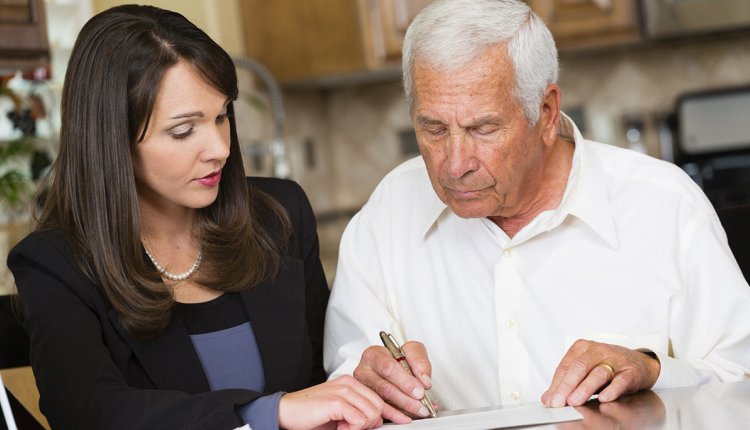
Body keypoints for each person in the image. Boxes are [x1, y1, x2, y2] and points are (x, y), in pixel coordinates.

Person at [324, 0, 750, 419]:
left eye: (483, 128)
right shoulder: (389, 213)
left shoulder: (663, 205)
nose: (455, 164)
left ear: (546, 113)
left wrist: (653, 371)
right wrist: (366, 385)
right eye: (433, 128)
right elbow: (346, 385)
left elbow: (740, 381)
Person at [7, 5, 387, 430]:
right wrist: (265, 412)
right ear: (113, 140)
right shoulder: (54, 264)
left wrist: (363, 372)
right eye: (184, 130)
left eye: (222, 116)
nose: (220, 148)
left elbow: (325, 375)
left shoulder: (279, 216)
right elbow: (87, 413)